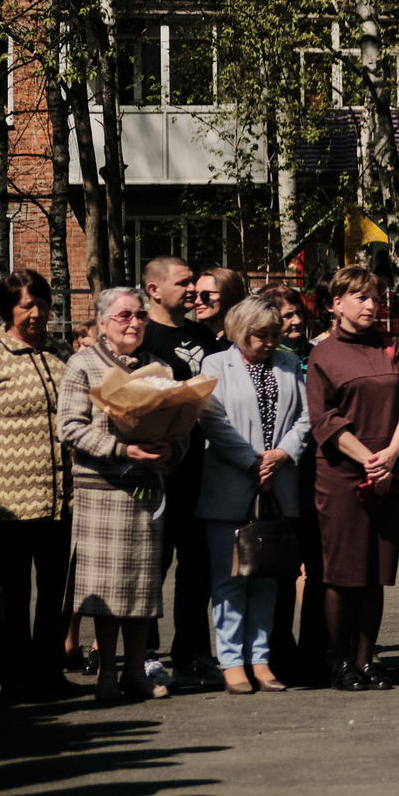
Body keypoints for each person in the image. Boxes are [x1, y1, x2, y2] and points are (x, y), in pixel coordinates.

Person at [59, 287, 184, 702]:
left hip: (146, 490)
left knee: (141, 587)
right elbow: (70, 428)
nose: (134, 323)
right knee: (107, 590)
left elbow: (181, 427)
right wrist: (122, 449)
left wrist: (171, 449)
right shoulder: (83, 365)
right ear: (101, 323)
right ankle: (107, 676)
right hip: (103, 490)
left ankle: (136, 672)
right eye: (124, 316)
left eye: (140, 317)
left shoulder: (158, 367)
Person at [305, 267, 399, 690]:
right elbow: (324, 419)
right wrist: (370, 457)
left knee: (377, 571)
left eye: (375, 297)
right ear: (336, 304)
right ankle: (340, 663)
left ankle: (367, 659)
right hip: (341, 475)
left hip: (388, 470)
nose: (371, 305)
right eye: (360, 297)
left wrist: (391, 454)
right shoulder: (323, 354)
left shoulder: (392, 346)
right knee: (343, 573)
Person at [195, 291, 307, 694]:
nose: (270, 343)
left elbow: (305, 419)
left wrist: (282, 454)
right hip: (230, 485)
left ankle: (260, 659)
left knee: (268, 579)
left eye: (274, 335)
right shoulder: (214, 364)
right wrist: (252, 461)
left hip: (279, 485)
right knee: (229, 579)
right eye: (261, 336)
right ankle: (231, 662)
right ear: (240, 331)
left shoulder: (290, 363)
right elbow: (212, 420)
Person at [0, 271, 71, 698]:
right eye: (27, 306)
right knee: (15, 594)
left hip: (61, 499)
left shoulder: (60, 354)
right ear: (8, 311)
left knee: (56, 593)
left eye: (43, 304)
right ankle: (16, 678)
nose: (38, 313)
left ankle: (50, 672)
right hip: (10, 501)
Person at [138, 255, 217, 688]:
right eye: (185, 283)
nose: (194, 291)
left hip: (201, 471)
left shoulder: (203, 335)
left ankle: (192, 653)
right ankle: (146, 652)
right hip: (156, 472)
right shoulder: (142, 336)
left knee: (197, 566)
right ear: (154, 289)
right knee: (152, 565)